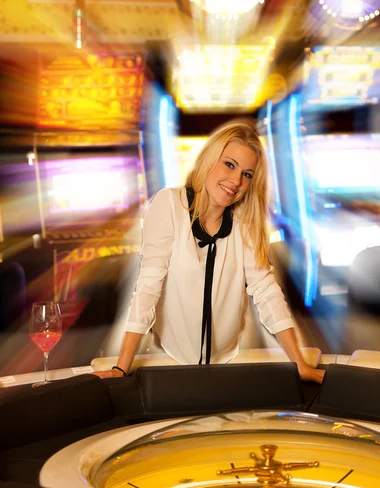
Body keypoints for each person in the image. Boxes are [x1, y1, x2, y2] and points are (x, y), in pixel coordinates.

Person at [95, 123, 325, 383]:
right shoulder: (169, 204)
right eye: (229, 164)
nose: (236, 181)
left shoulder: (245, 222)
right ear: (209, 159)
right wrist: (122, 367)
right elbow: (148, 285)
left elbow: (266, 291)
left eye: (247, 174)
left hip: (227, 361)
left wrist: (299, 363)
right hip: (169, 359)